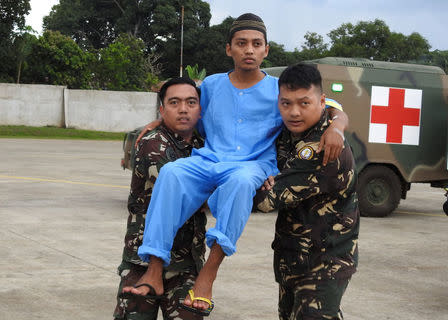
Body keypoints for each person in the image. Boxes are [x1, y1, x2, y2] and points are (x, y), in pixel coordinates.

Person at [124, 13, 349, 315]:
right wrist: (157, 120)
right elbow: (184, 104)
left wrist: (337, 127)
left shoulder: (277, 89)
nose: (249, 50)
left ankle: (209, 273)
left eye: (257, 44)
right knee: (172, 173)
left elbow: (332, 106)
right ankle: (154, 270)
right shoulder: (213, 85)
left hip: (253, 164)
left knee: (240, 183)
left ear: (266, 50)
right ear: (229, 49)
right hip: (211, 160)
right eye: (241, 43)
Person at [255, 63, 359, 320]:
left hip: (324, 264)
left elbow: (267, 200)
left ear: (321, 101)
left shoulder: (325, 147)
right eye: (286, 104)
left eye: (304, 103)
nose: (294, 112)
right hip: (292, 257)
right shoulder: (287, 134)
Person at [114, 77, 207, 320]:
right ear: (162, 110)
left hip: (186, 262)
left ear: (201, 109)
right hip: (142, 263)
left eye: (191, 102)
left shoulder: (202, 144)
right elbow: (186, 191)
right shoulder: (152, 143)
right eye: (174, 103)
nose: (184, 109)